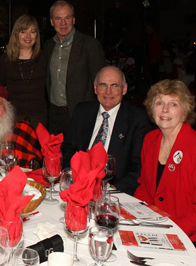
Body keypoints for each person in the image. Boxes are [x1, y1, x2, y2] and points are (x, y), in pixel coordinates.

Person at [61, 66, 153, 195]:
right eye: (103, 85)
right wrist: (71, 177)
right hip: (77, 185)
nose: (108, 92)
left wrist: (112, 189)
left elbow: (139, 166)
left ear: (124, 89)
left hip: (113, 191)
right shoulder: (82, 111)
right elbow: (68, 149)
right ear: (95, 88)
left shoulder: (137, 119)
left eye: (114, 86)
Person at [135, 79, 196, 243]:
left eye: (174, 104)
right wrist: (137, 217)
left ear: (184, 112)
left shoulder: (193, 146)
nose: (165, 109)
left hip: (187, 236)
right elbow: (144, 187)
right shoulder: (150, 139)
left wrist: (171, 233)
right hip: (153, 229)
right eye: (159, 103)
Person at [45, 0, 106, 135]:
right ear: (51, 21)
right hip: (55, 115)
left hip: (81, 115)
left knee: (80, 155)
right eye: (58, 18)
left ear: (73, 19)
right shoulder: (48, 46)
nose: (63, 23)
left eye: (67, 18)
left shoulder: (89, 45)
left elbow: (102, 82)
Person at [0, 14, 47, 126]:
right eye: (23, 31)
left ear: (37, 35)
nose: (28, 36)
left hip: (39, 117)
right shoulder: (5, 59)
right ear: (16, 34)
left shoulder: (44, 57)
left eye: (32, 31)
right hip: (13, 117)